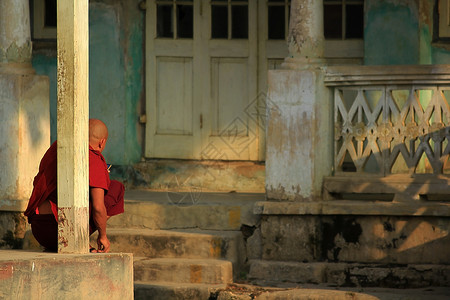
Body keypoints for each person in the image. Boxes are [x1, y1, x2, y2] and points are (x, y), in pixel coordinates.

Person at [24, 119, 125, 253]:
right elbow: (98, 207)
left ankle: (74, 240)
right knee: (116, 188)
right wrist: (103, 236)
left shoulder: (58, 147)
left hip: (39, 230)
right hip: (62, 231)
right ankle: (79, 240)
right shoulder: (93, 158)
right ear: (102, 142)